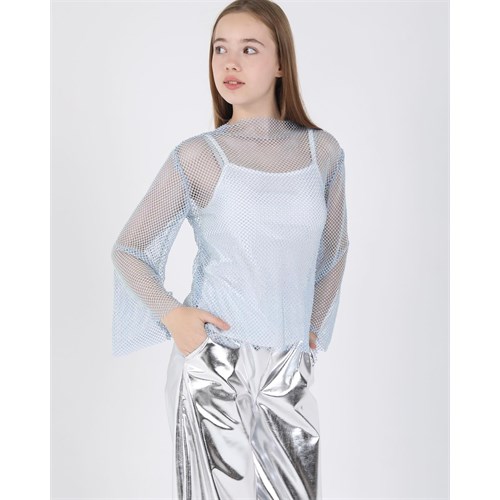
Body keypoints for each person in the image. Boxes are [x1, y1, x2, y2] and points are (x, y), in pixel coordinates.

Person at [111, 0, 349, 498]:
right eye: (220, 49)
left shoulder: (322, 153)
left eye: (249, 49)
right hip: (213, 359)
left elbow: (333, 250)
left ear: (281, 63)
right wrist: (173, 315)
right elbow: (130, 249)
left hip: (288, 365)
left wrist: (309, 333)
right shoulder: (199, 156)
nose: (230, 63)